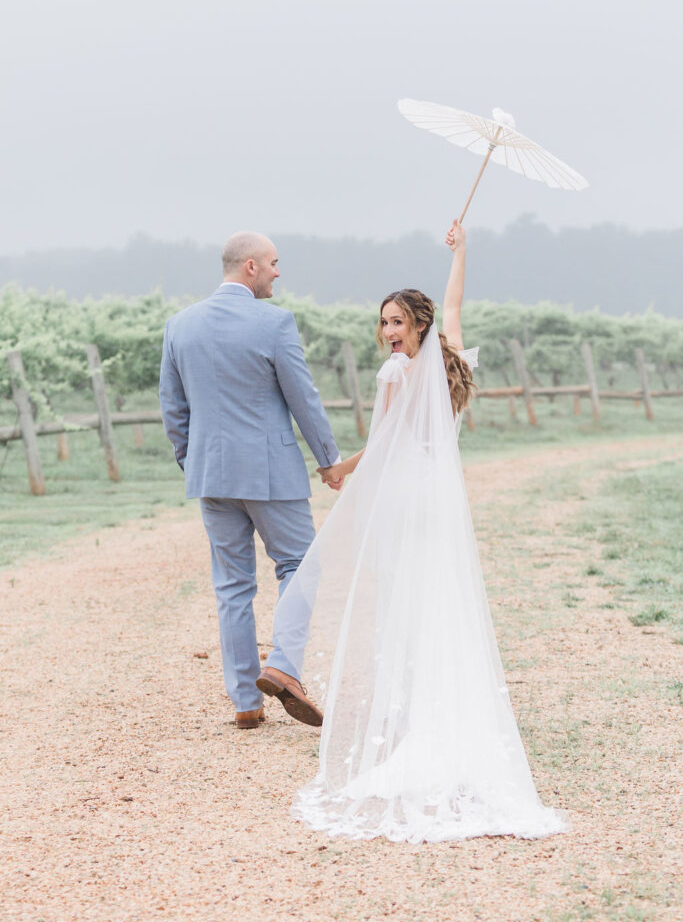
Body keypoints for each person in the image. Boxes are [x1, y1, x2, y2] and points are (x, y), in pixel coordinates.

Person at [270, 221, 568, 841]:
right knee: (441, 604)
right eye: (384, 323)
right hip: (440, 497)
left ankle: (425, 731)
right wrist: (461, 253)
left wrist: (341, 471)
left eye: (397, 322)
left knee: (410, 606)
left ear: (418, 326)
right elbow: (454, 304)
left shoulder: (397, 374)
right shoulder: (448, 359)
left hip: (409, 498)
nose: (389, 332)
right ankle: (450, 724)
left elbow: (384, 444)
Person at [159, 231, 341, 730]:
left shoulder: (179, 325)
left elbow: (173, 408)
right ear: (251, 267)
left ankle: (245, 700)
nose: (279, 271)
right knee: (301, 566)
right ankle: (282, 666)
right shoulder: (274, 322)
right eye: (274, 263)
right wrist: (328, 460)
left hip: (210, 476)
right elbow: (303, 397)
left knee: (232, 586)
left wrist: (194, 461)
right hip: (271, 473)